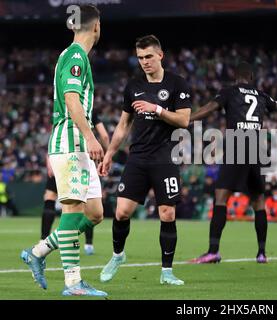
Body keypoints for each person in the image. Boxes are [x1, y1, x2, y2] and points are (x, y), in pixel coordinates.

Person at [20, 5, 107, 296]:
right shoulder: (75, 55)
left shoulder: (74, 56)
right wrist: (90, 136)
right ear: (96, 27)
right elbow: (71, 99)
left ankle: (39, 251)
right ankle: (73, 283)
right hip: (71, 141)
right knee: (72, 210)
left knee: (94, 213)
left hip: (79, 144)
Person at [188, 61, 277, 264]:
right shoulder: (260, 95)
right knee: (259, 202)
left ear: (236, 77)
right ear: (251, 77)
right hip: (257, 148)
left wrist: (188, 118)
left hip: (237, 145)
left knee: (221, 198)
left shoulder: (230, 91)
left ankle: (213, 251)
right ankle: (261, 253)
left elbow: (211, 107)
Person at [98, 35, 191, 286]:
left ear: (161, 55)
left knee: (167, 214)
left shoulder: (177, 84)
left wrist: (157, 109)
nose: (144, 62)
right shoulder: (133, 85)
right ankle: (118, 255)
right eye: (140, 58)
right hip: (138, 157)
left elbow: (184, 120)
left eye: (149, 56)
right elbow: (123, 124)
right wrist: (109, 153)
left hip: (165, 158)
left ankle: (167, 271)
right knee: (122, 212)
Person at [40, 109, 110, 255]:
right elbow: (103, 135)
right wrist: (107, 155)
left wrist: (49, 158)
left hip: (59, 155)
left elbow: (55, 133)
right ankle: (88, 245)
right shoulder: (89, 108)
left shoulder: (61, 107)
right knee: (86, 205)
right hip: (82, 157)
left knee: (51, 198)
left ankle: (43, 241)